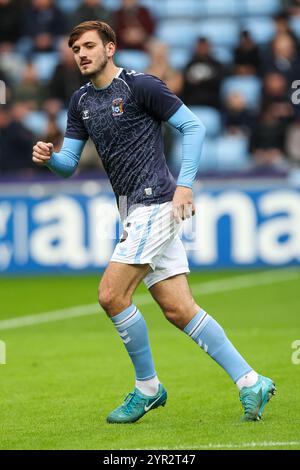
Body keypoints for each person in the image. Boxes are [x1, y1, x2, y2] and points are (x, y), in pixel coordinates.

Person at [32, 21, 276, 424]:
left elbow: (193, 127)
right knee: (179, 309)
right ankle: (250, 380)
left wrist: (185, 186)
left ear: (110, 48)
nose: (82, 54)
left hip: (157, 203)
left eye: (90, 46)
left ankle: (148, 388)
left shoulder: (141, 86)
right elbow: (69, 165)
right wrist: (50, 158)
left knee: (111, 295)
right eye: (76, 49)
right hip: (132, 209)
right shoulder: (79, 102)